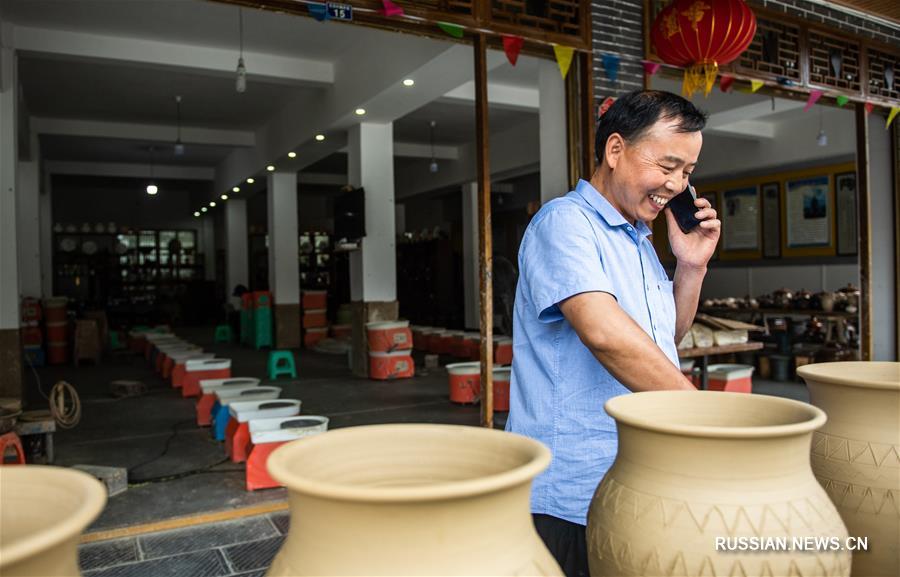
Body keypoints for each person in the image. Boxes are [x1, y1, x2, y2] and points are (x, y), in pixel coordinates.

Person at [506, 90, 721, 576]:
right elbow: (604, 333)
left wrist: (690, 269)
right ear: (616, 150)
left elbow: (666, 338)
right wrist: (705, 418)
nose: (676, 185)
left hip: (633, 476)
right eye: (667, 166)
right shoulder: (565, 223)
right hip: (573, 488)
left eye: (687, 173)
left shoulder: (640, 240)